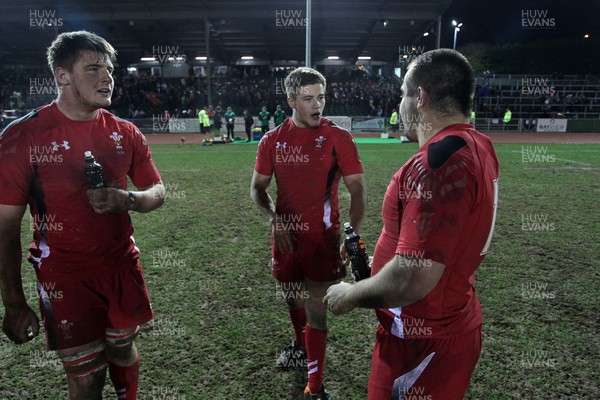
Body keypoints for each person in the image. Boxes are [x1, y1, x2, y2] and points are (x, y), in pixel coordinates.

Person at [324, 49, 499, 400]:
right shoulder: (478, 144)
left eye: (404, 92)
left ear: (420, 97)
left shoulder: (435, 165)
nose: (401, 103)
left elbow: (414, 276)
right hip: (440, 325)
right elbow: (439, 244)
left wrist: (351, 295)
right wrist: (378, 269)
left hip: (423, 341)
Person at [0, 31, 165, 400]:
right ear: (62, 76)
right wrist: (13, 302)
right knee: (88, 376)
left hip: (122, 265)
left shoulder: (126, 132)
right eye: (93, 69)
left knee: (122, 347)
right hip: (65, 275)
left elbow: (157, 191)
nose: (107, 78)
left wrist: (130, 199)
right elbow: (5, 226)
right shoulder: (24, 135)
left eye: (109, 69)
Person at [251, 67, 367, 400]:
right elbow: (257, 189)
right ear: (290, 100)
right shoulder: (271, 141)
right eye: (307, 99)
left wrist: (352, 235)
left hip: (323, 240)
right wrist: (275, 219)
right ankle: (299, 345)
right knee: (292, 295)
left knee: (317, 309)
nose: (317, 106)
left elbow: (358, 191)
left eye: (321, 97)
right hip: (286, 239)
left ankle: (314, 388)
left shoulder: (338, 138)